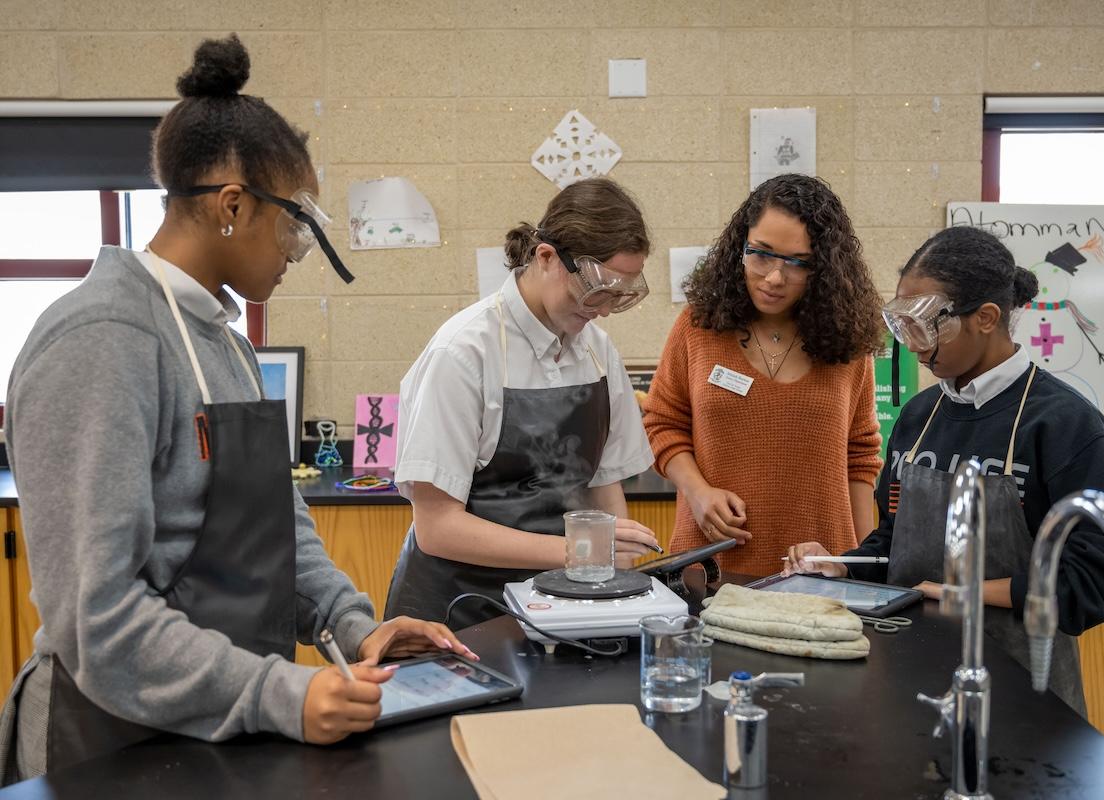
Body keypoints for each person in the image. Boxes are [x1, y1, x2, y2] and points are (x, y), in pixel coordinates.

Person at [0, 35, 474, 785]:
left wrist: (356, 629)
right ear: (232, 206)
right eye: (294, 225)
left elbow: (273, 534)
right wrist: (277, 691)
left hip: (227, 726)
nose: (295, 249)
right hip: (114, 741)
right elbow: (99, 619)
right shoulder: (101, 340)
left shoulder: (226, 344)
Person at [785, 225, 1104, 716]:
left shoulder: (1061, 422)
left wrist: (962, 593)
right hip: (910, 677)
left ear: (986, 318)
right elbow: (895, 544)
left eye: (926, 325)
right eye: (903, 326)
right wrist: (842, 566)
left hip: (1025, 690)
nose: (913, 345)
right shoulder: (920, 418)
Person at [384, 178, 659, 627]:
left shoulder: (597, 350)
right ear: (547, 257)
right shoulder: (462, 353)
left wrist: (613, 585)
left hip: (559, 602)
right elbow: (437, 528)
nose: (604, 309)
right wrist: (580, 553)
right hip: (457, 612)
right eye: (595, 290)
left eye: (618, 295)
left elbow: (604, 485)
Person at [641, 174, 884, 577]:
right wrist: (698, 494)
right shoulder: (698, 326)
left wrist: (859, 565)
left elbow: (859, 456)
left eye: (798, 262)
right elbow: (661, 423)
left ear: (824, 267)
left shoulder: (847, 342)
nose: (774, 277)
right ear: (741, 246)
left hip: (818, 570)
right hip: (711, 565)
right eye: (761, 254)